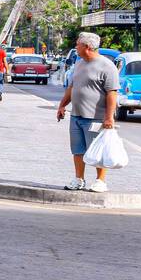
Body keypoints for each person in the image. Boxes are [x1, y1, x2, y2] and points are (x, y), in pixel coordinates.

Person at [56, 31, 118, 193]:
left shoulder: (107, 66)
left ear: (87, 47)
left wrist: (109, 118)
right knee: (77, 150)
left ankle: (100, 181)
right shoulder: (79, 63)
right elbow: (72, 87)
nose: (76, 47)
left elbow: (112, 93)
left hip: (96, 118)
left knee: (98, 150)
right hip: (76, 115)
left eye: (78, 44)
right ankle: (79, 179)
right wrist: (62, 105)